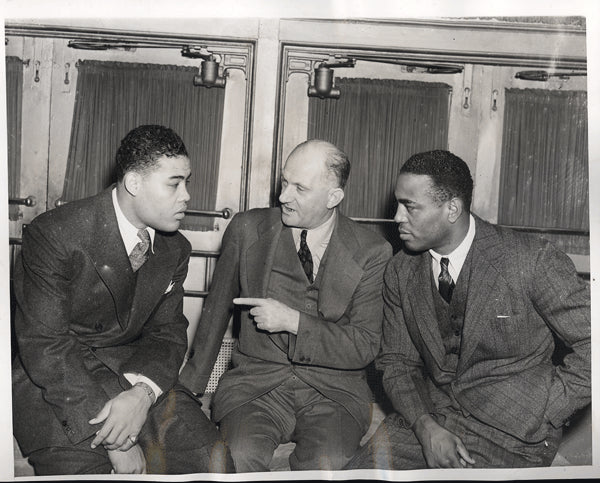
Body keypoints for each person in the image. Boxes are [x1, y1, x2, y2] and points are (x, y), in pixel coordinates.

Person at [345, 149, 591, 469]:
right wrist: (425, 426)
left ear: (452, 209)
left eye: (410, 207)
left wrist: (549, 408)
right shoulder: (399, 271)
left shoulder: (530, 259)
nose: (397, 218)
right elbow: (397, 362)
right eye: (397, 204)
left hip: (515, 436)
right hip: (428, 423)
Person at [12, 124, 234, 475]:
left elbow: (168, 334)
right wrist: (117, 441)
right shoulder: (54, 234)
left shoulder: (175, 248)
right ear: (134, 183)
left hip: (134, 374)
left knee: (213, 463)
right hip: (62, 384)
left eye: (187, 182)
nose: (187, 196)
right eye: (174, 183)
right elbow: (45, 346)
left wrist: (142, 393)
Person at [179, 139, 392, 471]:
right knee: (238, 455)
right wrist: (187, 392)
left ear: (333, 197)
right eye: (284, 182)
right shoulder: (248, 230)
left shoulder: (372, 251)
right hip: (256, 386)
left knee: (329, 464)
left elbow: (364, 345)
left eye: (300, 189)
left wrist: (294, 321)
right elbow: (215, 312)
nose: (283, 196)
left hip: (333, 393)